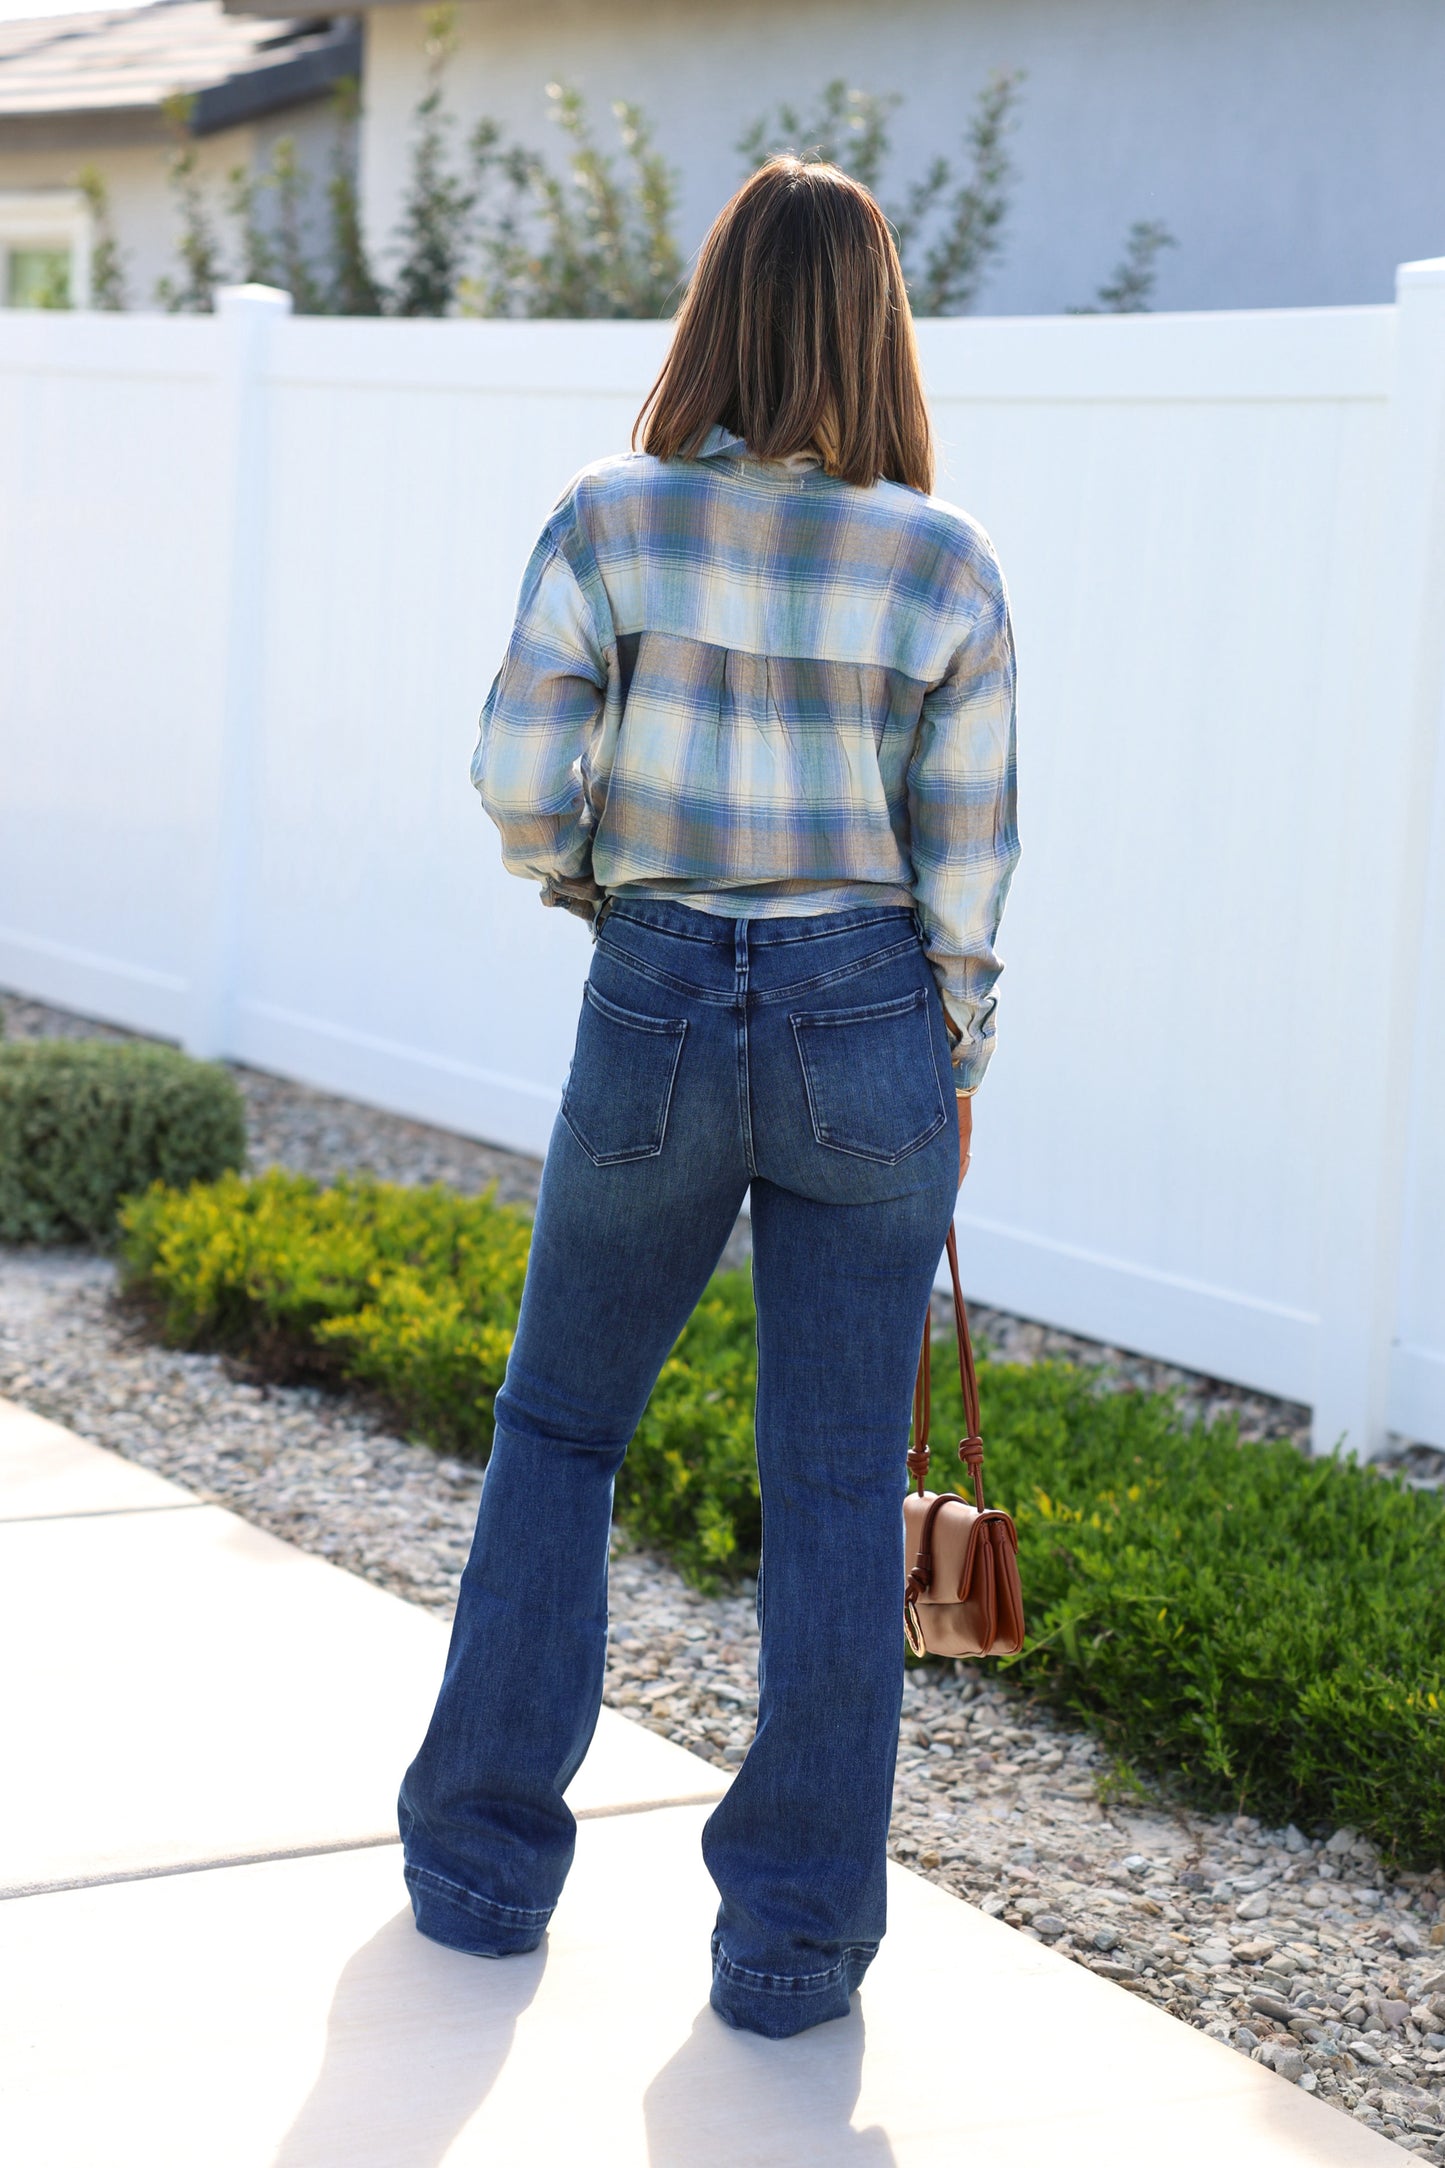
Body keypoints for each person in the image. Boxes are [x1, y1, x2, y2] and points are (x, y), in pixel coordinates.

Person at [398, 153, 1019, 2040]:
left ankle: (482, 1879)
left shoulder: (609, 520)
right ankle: (789, 1953)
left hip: (659, 990)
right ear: (878, 323)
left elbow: (518, 773)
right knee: (833, 1489)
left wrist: (612, 894)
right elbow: (966, 867)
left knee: (561, 1430)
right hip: (868, 1019)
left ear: (714, 309)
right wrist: (955, 1054)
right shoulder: (942, 559)